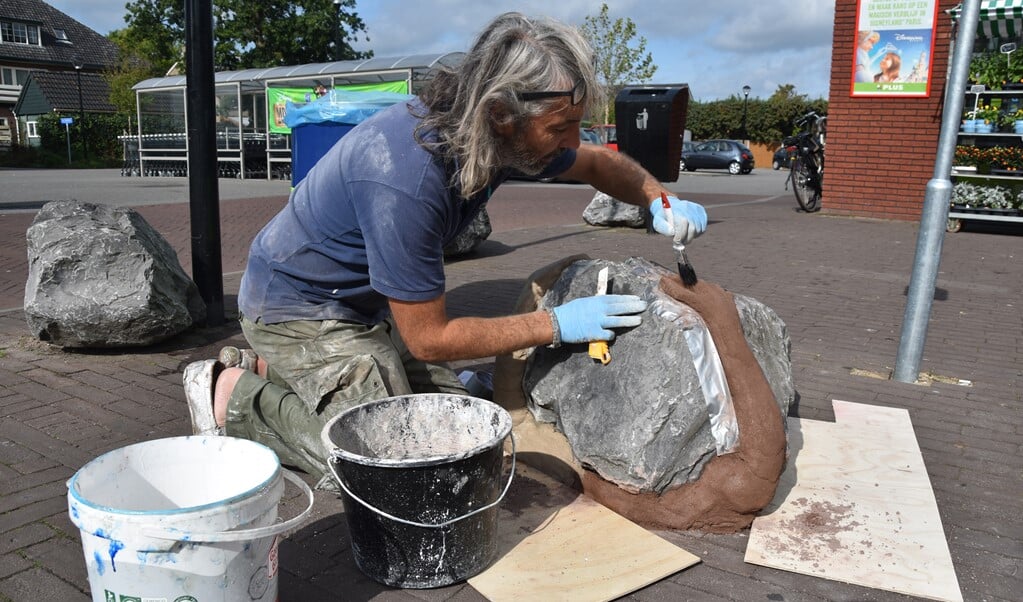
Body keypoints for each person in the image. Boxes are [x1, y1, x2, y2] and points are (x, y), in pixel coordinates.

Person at [182, 12, 708, 490]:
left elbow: (594, 162)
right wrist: (558, 324)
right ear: (502, 112)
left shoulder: (500, 136)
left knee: (462, 416)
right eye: (559, 128)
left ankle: (288, 370)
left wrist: (660, 201)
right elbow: (431, 337)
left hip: (361, 304)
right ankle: (235, 396)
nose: (570, 140)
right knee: (392, 460)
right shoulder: (406, 179)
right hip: (296, 309)